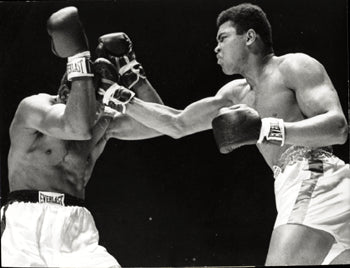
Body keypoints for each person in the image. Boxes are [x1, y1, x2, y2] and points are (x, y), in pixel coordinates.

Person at [101, 3, 350, 265]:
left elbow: (338, 128)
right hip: (293, 186)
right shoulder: (234, 94)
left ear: (250, 37)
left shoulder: (293, 66)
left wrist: (266, 129)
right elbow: (177, 123)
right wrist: (117, 95)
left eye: (223, 38)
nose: (216, 48)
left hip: (315, 175)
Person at [0, 6, 162, 267]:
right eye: (92, 103)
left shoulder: (101, 122)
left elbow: (159, 124)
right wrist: (78, 55)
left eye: (100, 104)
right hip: (25, 226)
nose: (98, 111)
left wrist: (134, 75)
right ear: (66, 92)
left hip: (76, 228)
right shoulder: (33, 109)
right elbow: (76, 127)